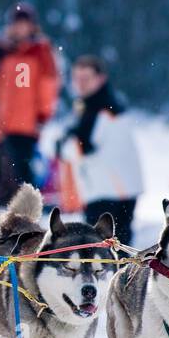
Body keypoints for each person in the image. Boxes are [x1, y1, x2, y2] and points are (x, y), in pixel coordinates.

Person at [62, 55, 143, 245]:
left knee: (100, 248)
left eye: (86, 78)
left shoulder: (98, 108)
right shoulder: (108, 103)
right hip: (120, 187)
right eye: (77, 78)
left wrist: (62, 145)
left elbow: (81, 148)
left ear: (101, 78)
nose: (80, 84)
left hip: (107, 190)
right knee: (119, 246)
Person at [0, 3, 59, 202]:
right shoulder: (6, 51)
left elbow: (48, 84)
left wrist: (43, 115)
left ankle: (31, 209)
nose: (20, 28)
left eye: (24, 24)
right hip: (5, 124)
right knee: (7, 173)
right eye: (17, 24)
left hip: (26, 123)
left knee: (23, 172)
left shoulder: (40, 51)